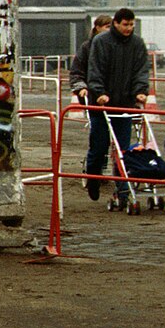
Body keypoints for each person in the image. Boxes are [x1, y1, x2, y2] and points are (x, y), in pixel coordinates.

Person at [86, 7, 150, 209]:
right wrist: (99, 92)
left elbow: (141, 70)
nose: (129, 28)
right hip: (101, 103)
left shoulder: (137, 44)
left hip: (125, 104)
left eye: (132, 25)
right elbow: (95, 70)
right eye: (125, 24)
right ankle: (93, 179)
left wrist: (140, 90)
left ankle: (123, 191)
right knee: (99, 146)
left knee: (122, 150)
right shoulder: (101, 42)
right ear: (116, 23)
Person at [71, 15, 114, 201]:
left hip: (117, 99)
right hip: (95, 99)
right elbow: (77, 72)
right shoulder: (86, 48)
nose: (108, 29)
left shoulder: (117, 47)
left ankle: (123, 182)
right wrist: (81, 87)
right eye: (106, 26)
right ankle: (94, 174)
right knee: (100, 140)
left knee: (122, 142)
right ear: (96, 28)